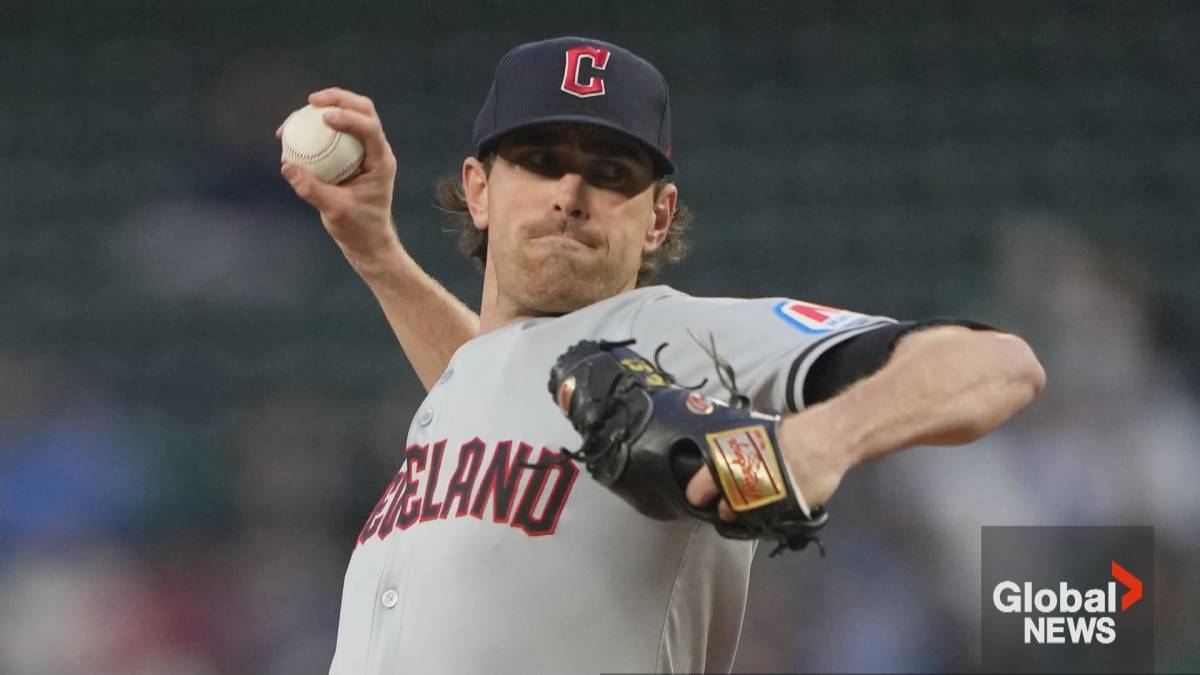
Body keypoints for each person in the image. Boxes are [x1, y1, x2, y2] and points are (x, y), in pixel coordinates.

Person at [278, 36, 1045, 674]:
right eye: (540, 160)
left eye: (611, 173)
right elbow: (497, 383)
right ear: (479, 190)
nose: (570, 192)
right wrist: (378, 253)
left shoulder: (676, 335)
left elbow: (998, 364)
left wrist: (816, 442)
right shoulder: (490, 377)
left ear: (657, 216)